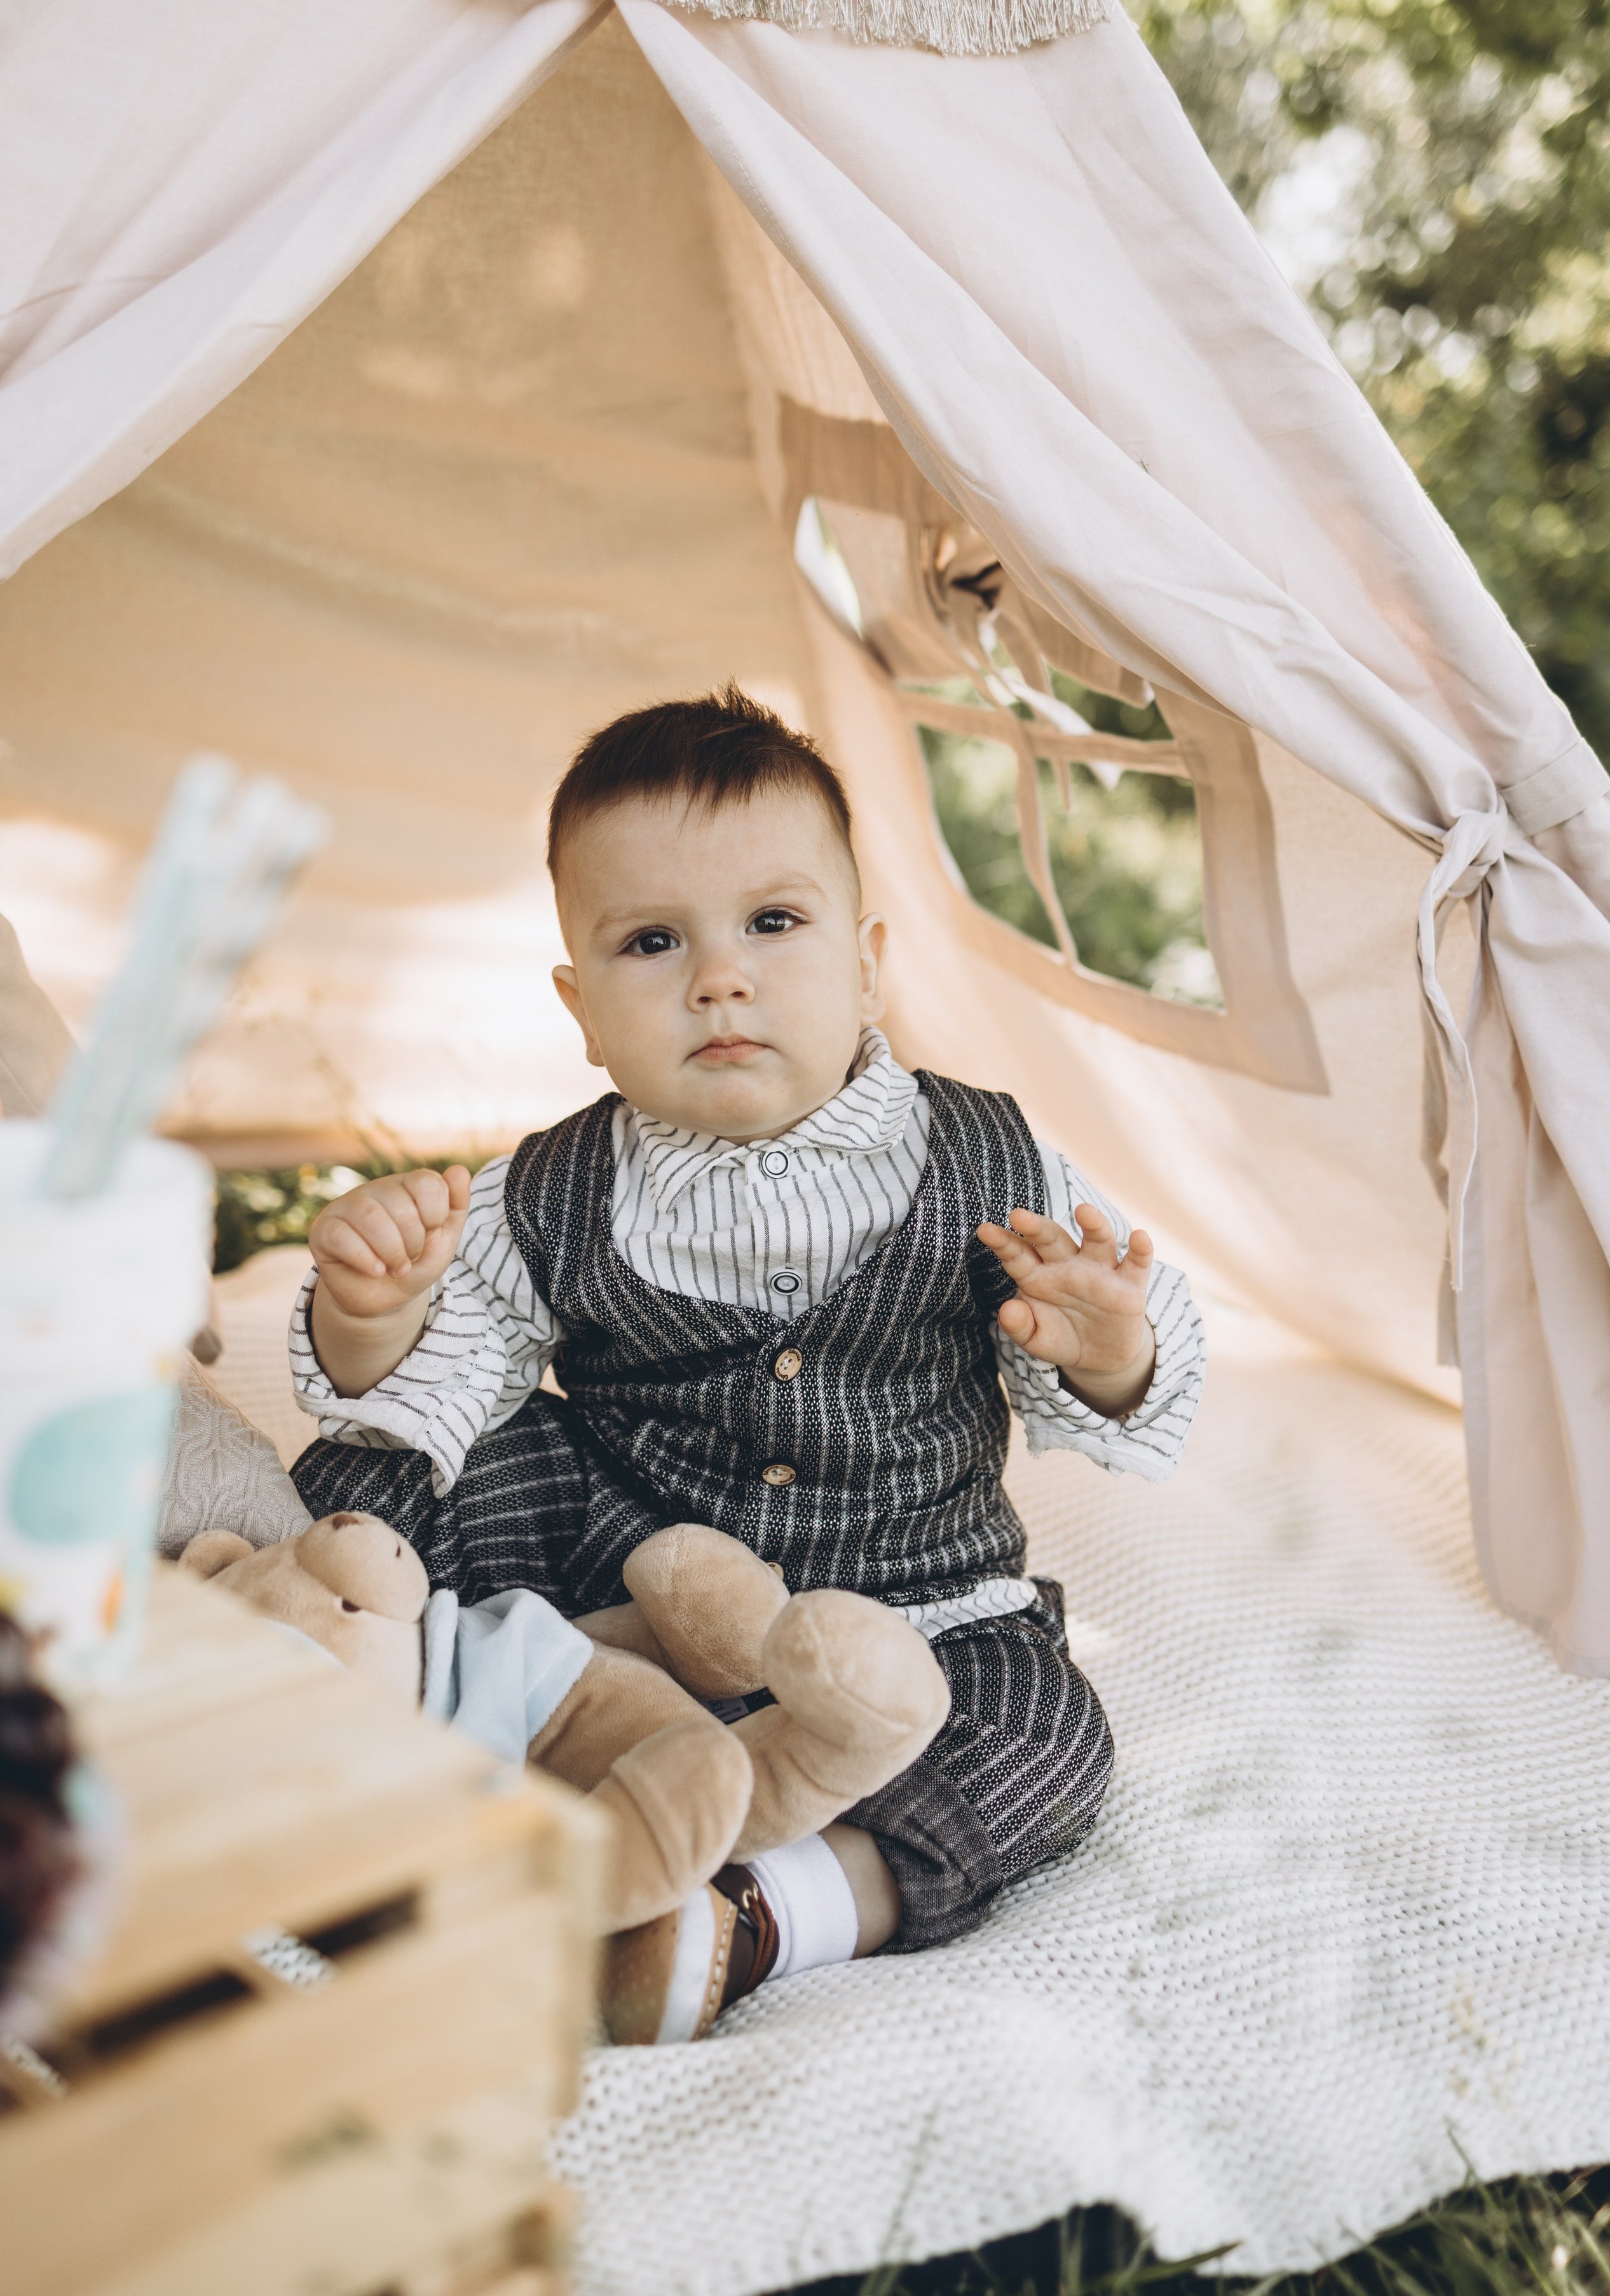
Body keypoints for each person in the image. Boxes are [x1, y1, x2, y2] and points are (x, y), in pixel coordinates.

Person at [289, 687, 1205, 2026]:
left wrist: (1106, 1347)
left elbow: (1136, 1369)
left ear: (868, 965)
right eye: (652, 941)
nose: (719, 976)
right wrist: (373, 1315)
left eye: (773, 923)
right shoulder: (551, 1189)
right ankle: (326, 1690)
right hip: (625, 1571)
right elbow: (443, 1381)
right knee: (396, 1469)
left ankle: (759, 1911)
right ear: (581, 1008)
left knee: (1046, 1737)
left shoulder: (992, 1160)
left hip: (909, 1608)